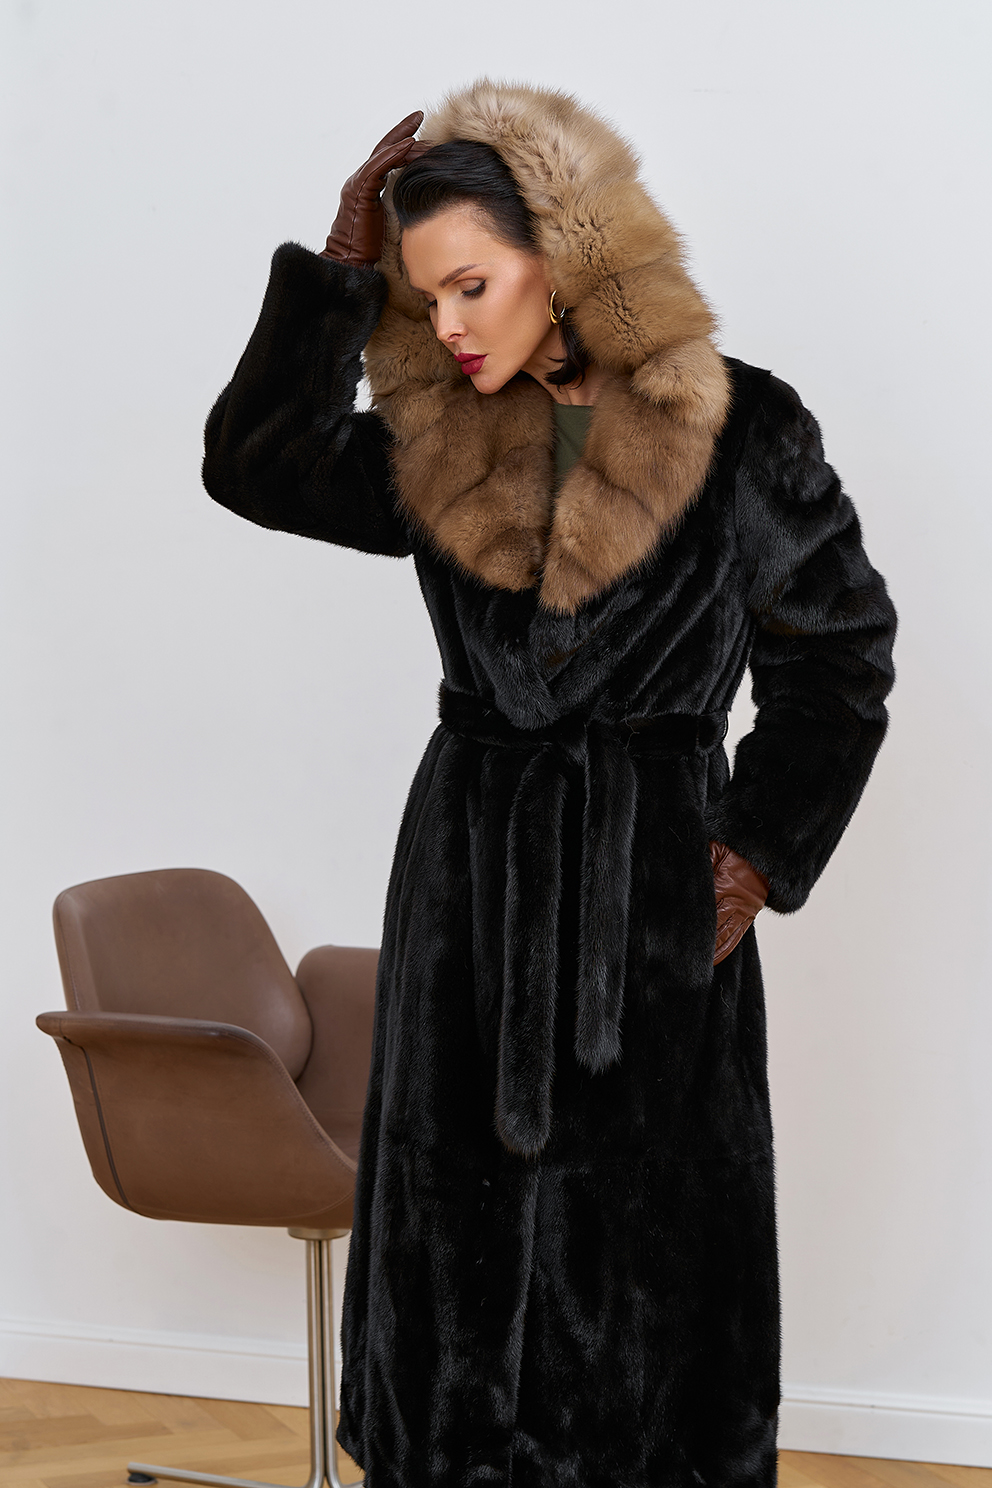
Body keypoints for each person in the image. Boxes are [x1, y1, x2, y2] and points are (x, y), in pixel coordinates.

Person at [203, 79, 897, 1488]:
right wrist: (337, 274)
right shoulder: (439, 436)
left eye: (471, 286)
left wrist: (752, 855)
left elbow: (840, 653)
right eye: (426, 298)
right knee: (451, 1234)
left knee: (653, 1261)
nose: (448, 326)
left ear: (567, 255)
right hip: (470, 873)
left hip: (654, 882)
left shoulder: (741, 428)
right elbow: (255, 464)